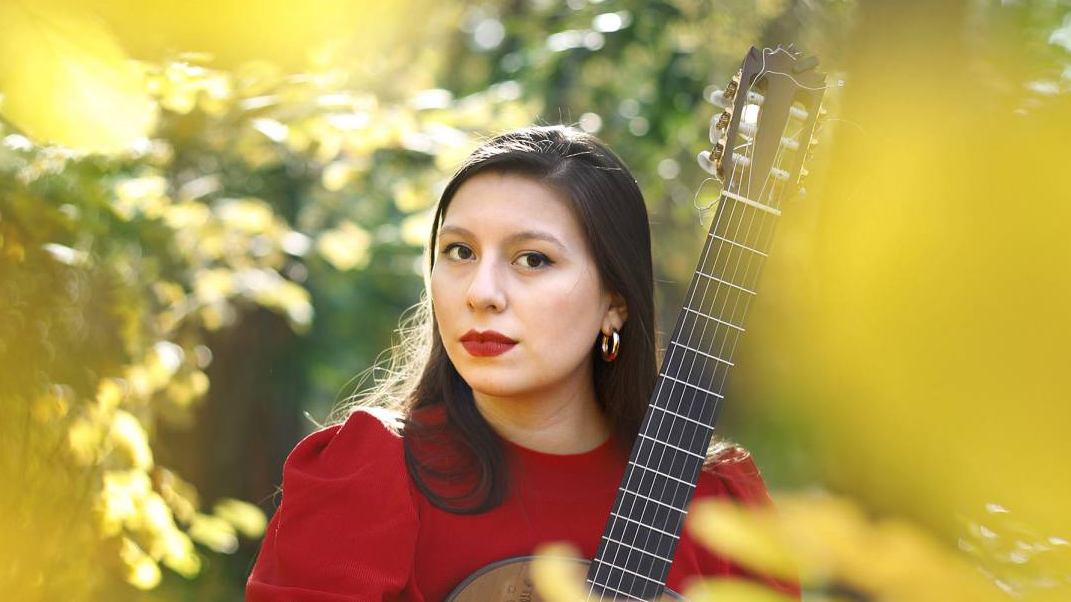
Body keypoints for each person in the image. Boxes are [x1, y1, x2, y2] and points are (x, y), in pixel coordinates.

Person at [245, 125, 800, 601]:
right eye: (459, 251)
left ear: (614, 303)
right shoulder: (369, 476)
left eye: (532, 259)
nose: (481, 293)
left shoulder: (720, 502)